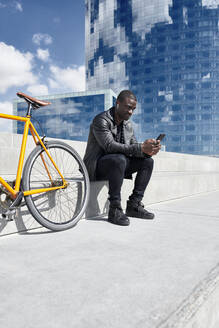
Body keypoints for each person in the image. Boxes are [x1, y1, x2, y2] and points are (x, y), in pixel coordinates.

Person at [83, 90, 161, 226]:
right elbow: (109, 146)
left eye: (133, 109)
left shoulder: (128, 125)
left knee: (148, 162)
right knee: (118, 158)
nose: (131, 112)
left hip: (118, 165)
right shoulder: (101, 120)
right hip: (96, 167)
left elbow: (133, 147)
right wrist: (141, 147)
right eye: (128, 107)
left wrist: (148, 151)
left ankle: (134, 205)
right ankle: (114, 209)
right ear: (117, 103)